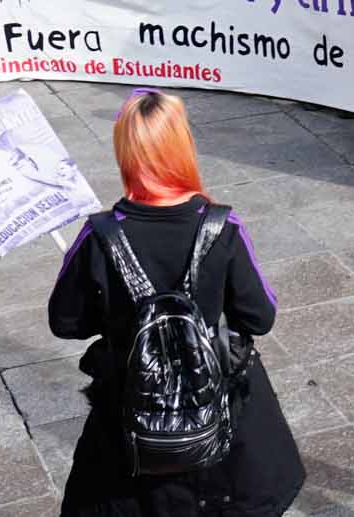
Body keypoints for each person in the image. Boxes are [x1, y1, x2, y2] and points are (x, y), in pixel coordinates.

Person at [50, 90, 303, 517]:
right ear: (183, 146)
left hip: (131, 417)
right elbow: (260, 316)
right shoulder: (222, 227)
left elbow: (65, 321)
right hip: (216, 417)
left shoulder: (99, 236)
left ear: (125, 151)